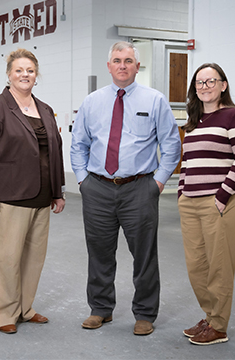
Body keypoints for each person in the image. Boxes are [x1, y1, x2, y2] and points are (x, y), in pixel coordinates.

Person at [70, 41, 181, 336]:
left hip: (139, 188)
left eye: (128, 60)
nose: (122, 65)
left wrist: (157, 183)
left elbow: (171, 145)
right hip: (98, 188)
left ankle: (145, 313)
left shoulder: (155, 100)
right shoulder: (92, 101)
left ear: (137, 66)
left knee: (144, 254)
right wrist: (83, 181)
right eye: (117, 60)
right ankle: (100, 309)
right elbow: (78, 144)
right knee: (99, 252)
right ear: (109, 66)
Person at [0, 48, 66, 334]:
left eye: (30, 71)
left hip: (40, 198)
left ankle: (24, 307)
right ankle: (1, 313)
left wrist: (58, 191)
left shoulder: (44, 109)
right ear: (9, 74)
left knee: (33, 258)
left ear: (37, 75)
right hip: (8, 198)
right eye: (19, 70)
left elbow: (55, 151)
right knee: (5, 258)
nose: (25, 75)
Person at [177, 63, 235, 345]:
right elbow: (188, 162)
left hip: (222, 202)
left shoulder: (234, 115)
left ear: (223, 85)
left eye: (210, 81)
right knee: (197, 266)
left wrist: (222, 196)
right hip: (191, 203)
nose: (204, 87)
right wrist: (182, 192)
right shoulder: (194, 121)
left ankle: (219, 326)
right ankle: (209, 316)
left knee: (219, 266)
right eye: (199, 83)